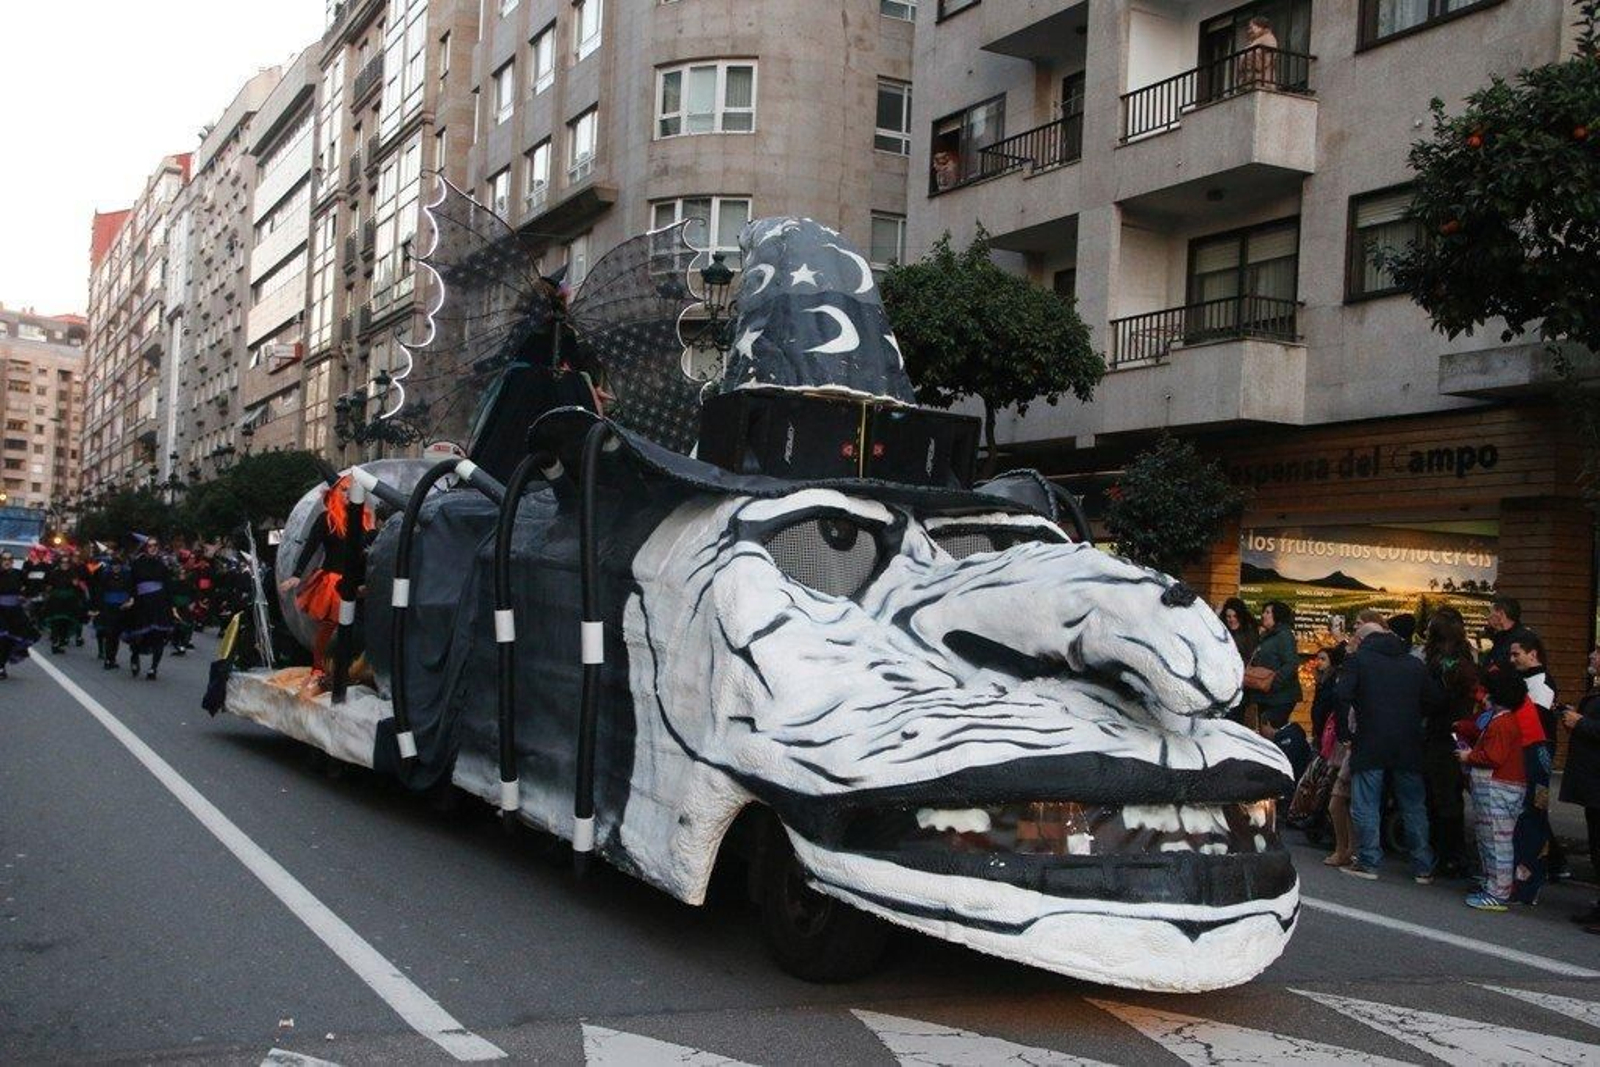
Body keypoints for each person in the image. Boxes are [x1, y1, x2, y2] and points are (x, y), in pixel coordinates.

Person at [1337, 620, 1441, 882]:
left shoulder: (1359, 660)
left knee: (1366, 803)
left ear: (1360, 641)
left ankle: (1369, 861)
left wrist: (1345, 732)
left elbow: (1341, 695)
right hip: (1408, 741)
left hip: (1370, 738)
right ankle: (1423, 865)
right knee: (1413, 806)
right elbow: (1434, 700)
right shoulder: (1414, 664)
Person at [1460, 672, 1535, 911]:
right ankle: (1493, 883)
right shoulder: (1503, 719)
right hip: (1498, 787)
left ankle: (1498, 891)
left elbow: (1493, 756)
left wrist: (1468, 756)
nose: (1483, 696)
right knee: (1491, 837)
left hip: (1498, 787)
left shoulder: (1501, 722)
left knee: (1496, 840)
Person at [1422, 609, 1478, 878]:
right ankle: (1452, 854)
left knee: (1441, 796)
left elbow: (1435, 700)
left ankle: (1449, 855)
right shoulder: (1464, 658)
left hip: (1443, 735)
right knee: (1449, 796)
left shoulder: (1445, 665)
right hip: (1456, 734)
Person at [1559, 646, 1600, 931]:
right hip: (1591, 781)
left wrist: (1581, 722)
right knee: (1597, 845)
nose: (1591, 657)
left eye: (1597, 652)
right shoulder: (1595, 690)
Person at [124, 536, 176, 680]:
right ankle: (134, 657)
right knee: (138, 635)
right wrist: (131, 598)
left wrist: (172, 606)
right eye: (150, 545)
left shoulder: (163, 565)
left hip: (159, 604)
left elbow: (169, 586)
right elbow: (131, 583)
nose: (153, 548)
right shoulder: (137, 564)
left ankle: (153, 668)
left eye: (155, 545)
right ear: (145, 547)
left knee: (159, 636)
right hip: (141, 603)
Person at [1250, 601, 1302, 729]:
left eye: (1268, 612)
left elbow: (1291, 664)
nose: (1263, 615)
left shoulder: (1284, 636)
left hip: (1281, 697)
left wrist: (1273, 683)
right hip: (1266, 696)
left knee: (1271, 731)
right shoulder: (1268, 636)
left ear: (1277, 616)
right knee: (1264, 731)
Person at [0, 550, 39, 680]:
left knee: (11, 640)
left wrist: (25, 596)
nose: (7, 561)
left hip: (14, 611)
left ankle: (2, 665)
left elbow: (30, 587)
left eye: (9, 559)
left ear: (12, 561)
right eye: (4, 559)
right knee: (2, 638)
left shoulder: (19, 574)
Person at [1480, 595, 1536, 677]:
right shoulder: (1500, 637)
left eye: (1490, 613)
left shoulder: (1523, 638)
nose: (1488, 617)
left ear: (1501, 615)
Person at [1236, 15, 1280, 87]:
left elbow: (1262, 61)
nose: (1249, 31)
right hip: (1250, 79)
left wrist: (1247, 58)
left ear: (1261, 26)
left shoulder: (1268, 38)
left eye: (1251, 27)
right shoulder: (1255, 41)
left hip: (1261, 80)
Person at [1219, 597, 1259, 664]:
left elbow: (1251, 657)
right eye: (1228, 616)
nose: (1232, 620)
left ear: (1241, 616)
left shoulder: (1249, 632)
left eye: (1235, 616)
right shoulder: (1223, 630)